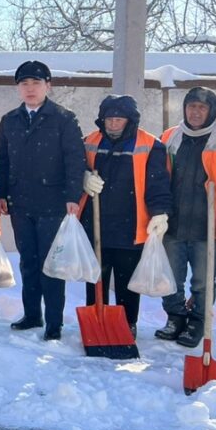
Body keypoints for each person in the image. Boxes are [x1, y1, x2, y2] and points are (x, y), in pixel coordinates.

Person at [0, 60, 86, 341]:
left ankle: (54, 323)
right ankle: (32, 314)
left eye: (36, 83)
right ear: (18, 88)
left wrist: (72, 196)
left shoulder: (63, 118)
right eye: (24, 83)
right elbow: (3, 160)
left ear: (48, 85)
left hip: (53, 202)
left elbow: (75, 159)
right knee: (28, 262)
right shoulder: (10, 120)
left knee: (51, 264)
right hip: (21, 203)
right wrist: (2, 194)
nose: (30, 89)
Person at [158, 87, 216, 346]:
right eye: (191, 106)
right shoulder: (169, 138)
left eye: (202, 107)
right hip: (172, 225)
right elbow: (158, 178)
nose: (195, 112)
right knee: (171, 278)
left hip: (207, 226)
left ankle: (197, 320)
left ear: (211, 112)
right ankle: (175, 317)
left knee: (203, 280)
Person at [79, 94, 173, 338]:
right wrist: (83, 176)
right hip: (95, 222)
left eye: (118, 119)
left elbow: (158, 184)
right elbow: (73, 166)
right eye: (109, 119)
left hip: (131, 224)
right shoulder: (89, 141)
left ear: (130, 120)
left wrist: (160, 213)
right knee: (96, 277)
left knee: (127, 281)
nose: (112, 125)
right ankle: (96, 319)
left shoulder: (151, 145)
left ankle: (126, 322)